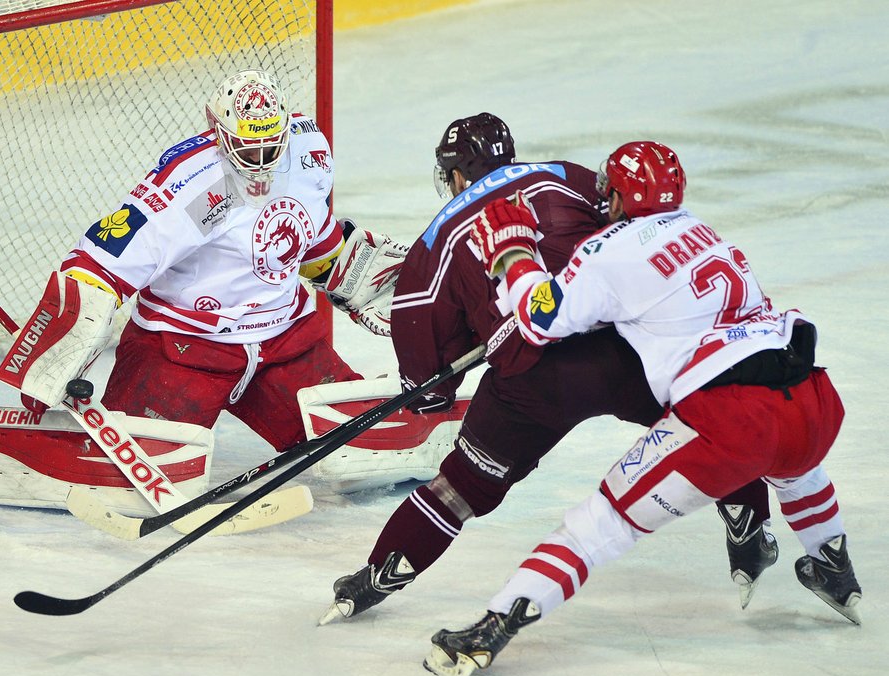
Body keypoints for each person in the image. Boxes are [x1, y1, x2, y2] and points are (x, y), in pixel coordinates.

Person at [424, 141, 861, 676]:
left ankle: (495, 625)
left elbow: (541, 320)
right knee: (795, 463)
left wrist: (514, 253)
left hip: (727, 418)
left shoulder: (606, 251)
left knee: (600, 524)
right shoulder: (700, 228)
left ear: (619, 197)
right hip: (812, 397)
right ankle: (833, 564)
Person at [319, 116, 772, 625]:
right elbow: (638, 241)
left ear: (456, 176)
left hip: (532, 385)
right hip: (622, 350)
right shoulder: (567, 176)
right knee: (709, 418)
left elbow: (431, 395)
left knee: (460, 488)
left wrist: (464, 336)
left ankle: (381, 573)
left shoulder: (432, 248)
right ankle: (749, 518)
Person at [0, 70, 395, 453]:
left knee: (367, 442)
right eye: (247, 146)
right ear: (218, 131)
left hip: (284, 341)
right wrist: (62, 339)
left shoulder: (308, 149)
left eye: (270, 144)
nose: (260, 158)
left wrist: (350, 269)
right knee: (143, 459)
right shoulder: (196, 181)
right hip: (186, 348)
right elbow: (105, 260)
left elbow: (310, 233)